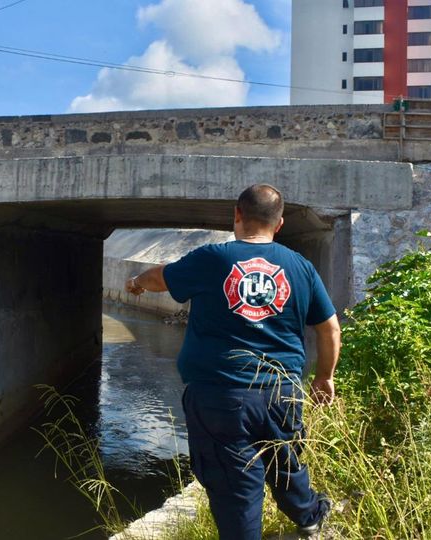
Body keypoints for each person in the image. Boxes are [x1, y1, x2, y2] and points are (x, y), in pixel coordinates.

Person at [124, 184, 342, 539]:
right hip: (281, 392)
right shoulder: (300, 267)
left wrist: (135, 283)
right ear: (280, 223)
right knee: (286, 461)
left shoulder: (213, 258)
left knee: (235, 487)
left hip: (220, 396)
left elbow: (160, 277)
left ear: (237, 215)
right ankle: (310, 517)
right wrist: (324, 378)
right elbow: (330, 329)